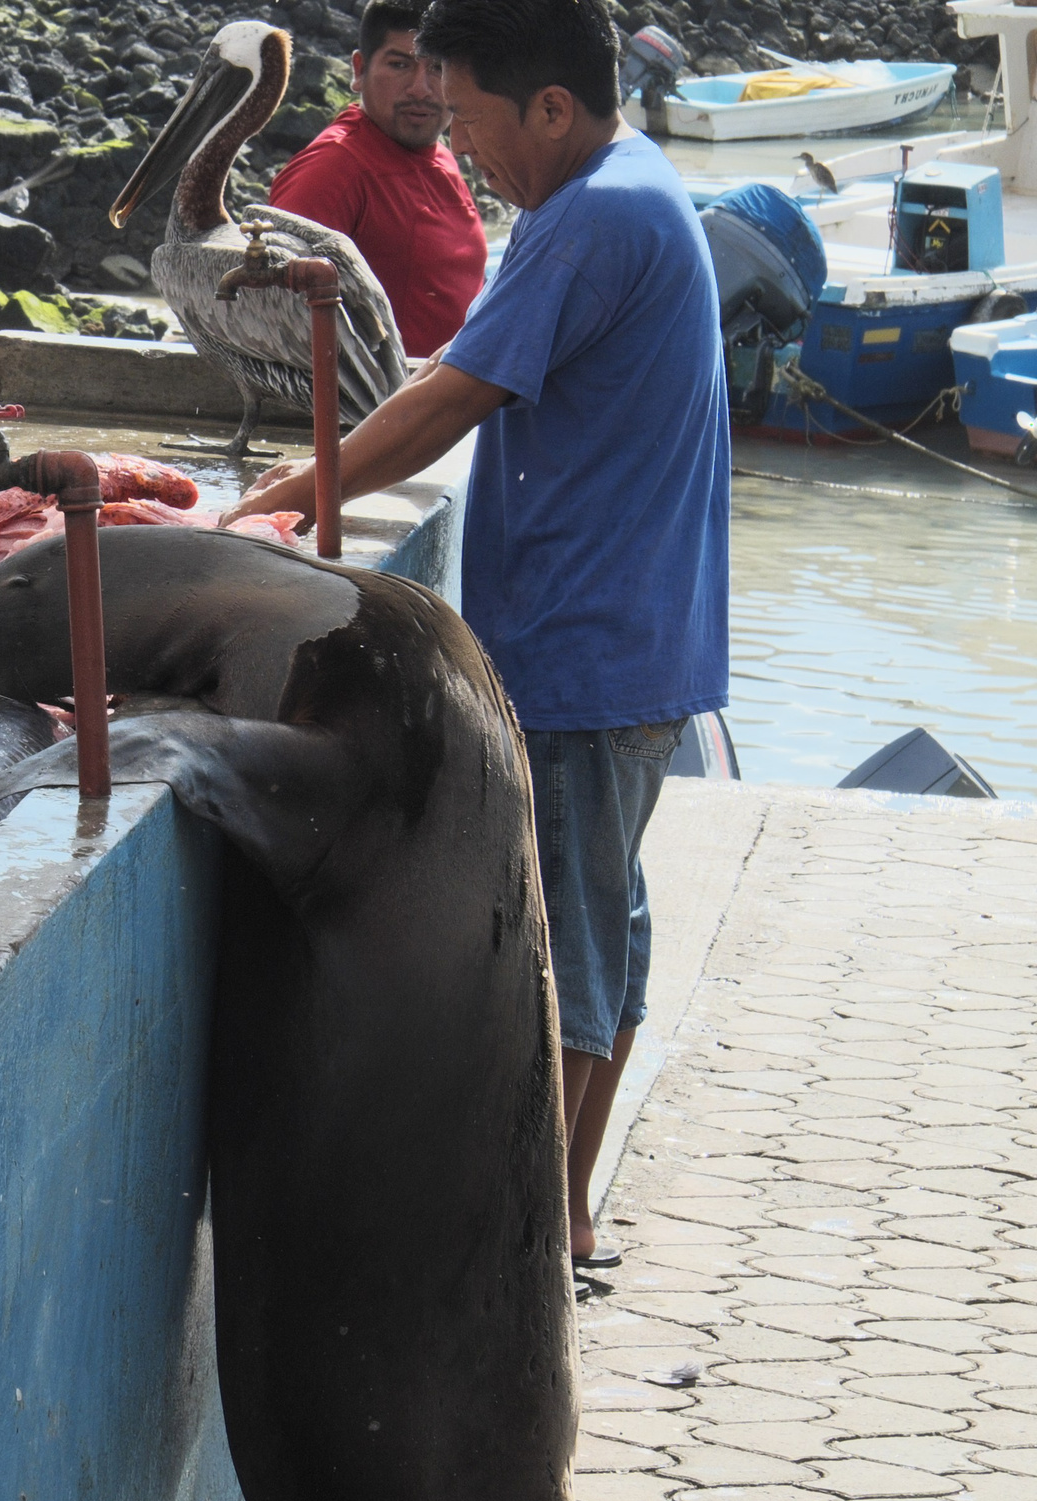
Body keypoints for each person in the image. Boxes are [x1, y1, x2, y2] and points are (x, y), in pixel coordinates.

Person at [220, 0, 728, 1274]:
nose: (462, 150)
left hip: (584, 646)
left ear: (550, 106)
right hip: (630, 636)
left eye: (471, 122)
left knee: (563, 952)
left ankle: (522, 1250)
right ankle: (563, 1215)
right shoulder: (620, 186)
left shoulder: (594, 216)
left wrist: (289, 496)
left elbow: (450, 399)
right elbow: (466, 360)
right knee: (604, 924)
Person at [264, 1, 489, 356]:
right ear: (359, 70)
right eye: (400, 65)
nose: (421, 88)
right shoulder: (332, 169)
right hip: (392, 390)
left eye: (438, 68)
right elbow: (275, 320)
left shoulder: (442, 155)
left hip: (464, 384)